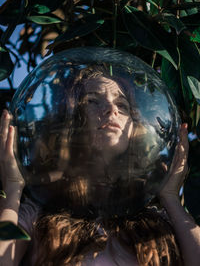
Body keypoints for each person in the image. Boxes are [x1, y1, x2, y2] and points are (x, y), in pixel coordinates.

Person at [0, 66, 200, 265]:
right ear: (70, 121)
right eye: (93, 101)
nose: (111, 109)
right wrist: (13, 190)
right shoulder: (38, 214)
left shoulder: (158, 219)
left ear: (134, 128)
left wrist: (171, 198)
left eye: (122, 105)